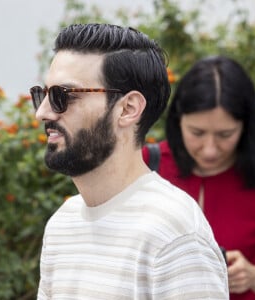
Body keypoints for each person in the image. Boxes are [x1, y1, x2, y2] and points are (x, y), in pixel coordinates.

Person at [30, 24, 228, 299]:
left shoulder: (175, 234)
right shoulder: (63, 225)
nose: (43, 112)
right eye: (43, 94)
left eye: (63, 96)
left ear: (128, 108)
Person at [143, 55, 255, 300]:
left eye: (225, 134)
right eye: (197, 132)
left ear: (245, 126)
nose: (210, 149)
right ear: (178, 120)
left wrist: (254, 277)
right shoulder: (144, 166)